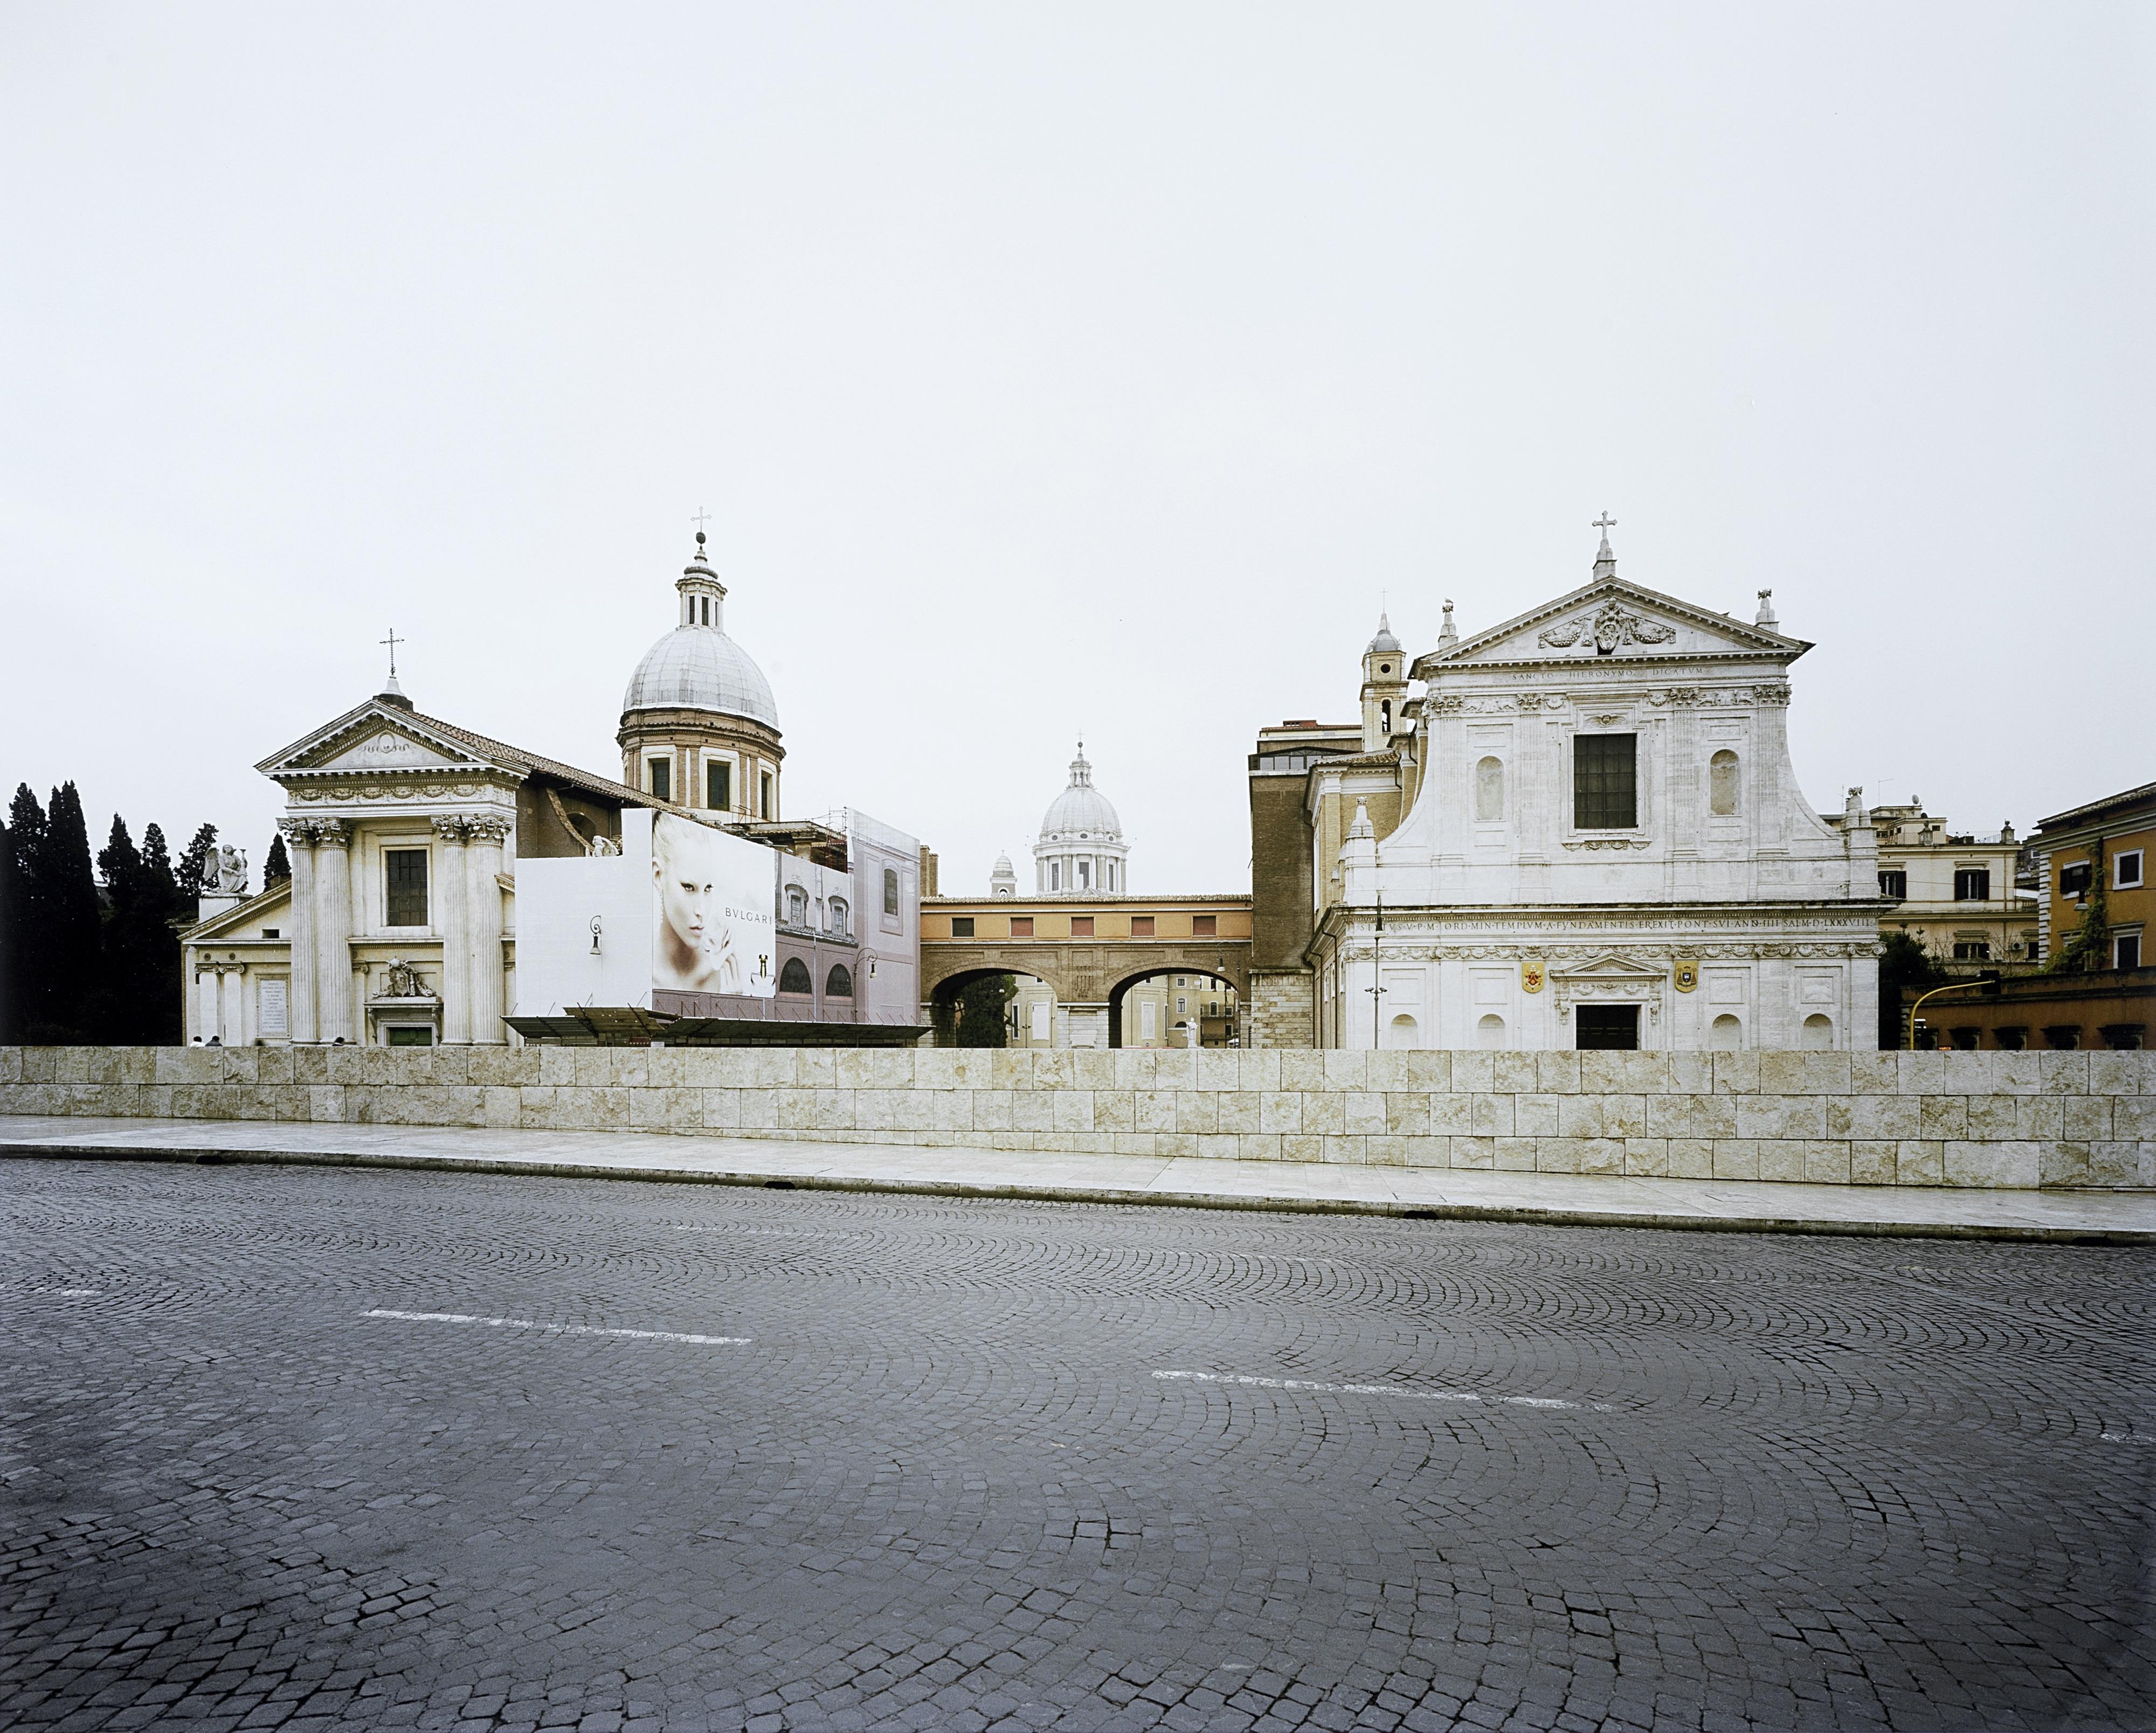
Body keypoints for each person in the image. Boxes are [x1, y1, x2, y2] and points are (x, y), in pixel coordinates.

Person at [653, 813, 745, 993]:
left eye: (708, 888)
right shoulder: (638, 974)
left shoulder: (723, 975)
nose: (701, 911)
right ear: (658, 875)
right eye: (688, 887)